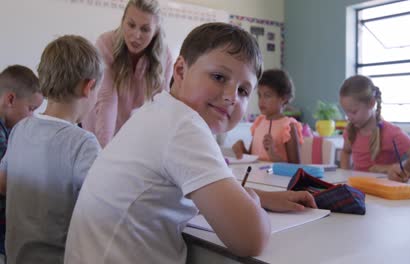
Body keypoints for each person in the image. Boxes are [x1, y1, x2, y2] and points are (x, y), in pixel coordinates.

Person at [64, 22, 317, 264]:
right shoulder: (184, 126)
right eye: (219, 77)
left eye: (243, 91)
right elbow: (251, 239)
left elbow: (196, 187)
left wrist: (260, 197)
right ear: (180, 70)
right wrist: (252, 201)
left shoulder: (158, 110)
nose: (231, 97)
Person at [0, 35, 102, 263]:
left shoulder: (20, 129)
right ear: (89, 87)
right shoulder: (83, 143)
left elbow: (3, 183)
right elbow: (104, 207)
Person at [82, 0, 173, 147]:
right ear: (123, 21)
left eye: (145, 29)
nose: (136, 35)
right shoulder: (105, 43)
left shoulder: (165, 56)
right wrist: (104, 151)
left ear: (156, 31)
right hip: (98, 129)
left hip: (129, 134)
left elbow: (161, 107)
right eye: (131, 25)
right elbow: (107, 99)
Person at [0, 64, 43, 258]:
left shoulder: (10, 128)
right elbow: (4, 182)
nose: (32, 116)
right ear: (10, 99)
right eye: (31, 108)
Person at [339, 75, 410, 173]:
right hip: (357, 186)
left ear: (371, 103)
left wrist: (388, 168)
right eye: (346, 112)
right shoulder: (350, 131)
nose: (349, 117)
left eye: (354, 112)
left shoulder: (391, 133)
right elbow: (346, 152)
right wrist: (345, 175)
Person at [232, 69, 303, 163]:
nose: (261, 101)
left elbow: (296, 167)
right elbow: (253, 158)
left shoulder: (288, 127)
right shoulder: (259, 122)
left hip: (276, 178)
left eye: (267, 95)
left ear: (283, 98)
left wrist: (273, 154)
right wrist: (242, 150)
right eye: (259, 95)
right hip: (255, 177)